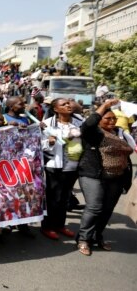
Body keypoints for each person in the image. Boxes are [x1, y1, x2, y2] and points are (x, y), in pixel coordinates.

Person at [76, 98, 133, 256]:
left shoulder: (119, 133)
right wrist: (105, 106)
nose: (112, 121)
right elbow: (87, 124)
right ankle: (83, 239)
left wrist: (126, 180)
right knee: (94, 207)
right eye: (107, 118)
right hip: (93, 175)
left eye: (114, 118)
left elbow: (127, 157)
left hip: (116, 178)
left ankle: (97, 236)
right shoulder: (93, 134)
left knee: (107, 210)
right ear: (99, 120)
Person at [40, 98, 83, 240]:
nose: (68, 105)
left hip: (73, 166)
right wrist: (49, 142)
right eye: (63, 104)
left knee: (65, 198)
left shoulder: (79, 122)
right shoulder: (46, 124)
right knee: (53, 198)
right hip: (55, 166)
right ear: (56, 109)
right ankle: (47, 227)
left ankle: (60, 225)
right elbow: (40, 145)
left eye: (68, 103)